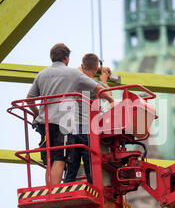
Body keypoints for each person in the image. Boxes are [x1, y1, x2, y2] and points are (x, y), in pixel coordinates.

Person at [27, 44, 115, 185]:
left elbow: (29, 100)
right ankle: (55, 190)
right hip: (63, 122)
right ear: (67, 58)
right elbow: (98, 88)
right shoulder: (73, 74)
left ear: (51, 57)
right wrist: (111, 99)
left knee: (49, 157)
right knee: (60, 157)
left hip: (44, 123)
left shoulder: (41, 74)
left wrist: (37, 114)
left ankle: (50, 189)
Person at [63, 53, 112, 184]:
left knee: (72, 164)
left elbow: (78, 72)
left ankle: (67, 187)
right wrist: (104, 79)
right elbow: (108, 93)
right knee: (90, 161)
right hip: (86, 128)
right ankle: (94, 187)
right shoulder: (95, 85)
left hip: (71, 128)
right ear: (96, 68)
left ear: (82, 65)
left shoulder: (75, 80)